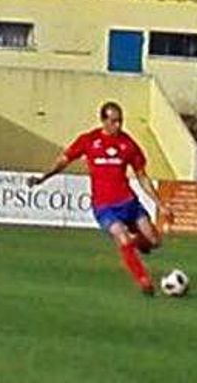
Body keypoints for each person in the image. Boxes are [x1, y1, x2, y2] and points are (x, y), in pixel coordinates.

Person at [27, 101, 174, 295]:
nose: (118, 126)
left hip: (129, 203)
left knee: (154, 241)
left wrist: (159, 204)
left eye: (120, 121)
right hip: (104, 206)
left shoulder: (128, 144)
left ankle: (139, 241)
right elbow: (64, 161)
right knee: (122, 238)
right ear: (103, 120)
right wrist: (43, 178)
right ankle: (143, 280)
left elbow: (142, 176)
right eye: (113, 121)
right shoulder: (88, 140)